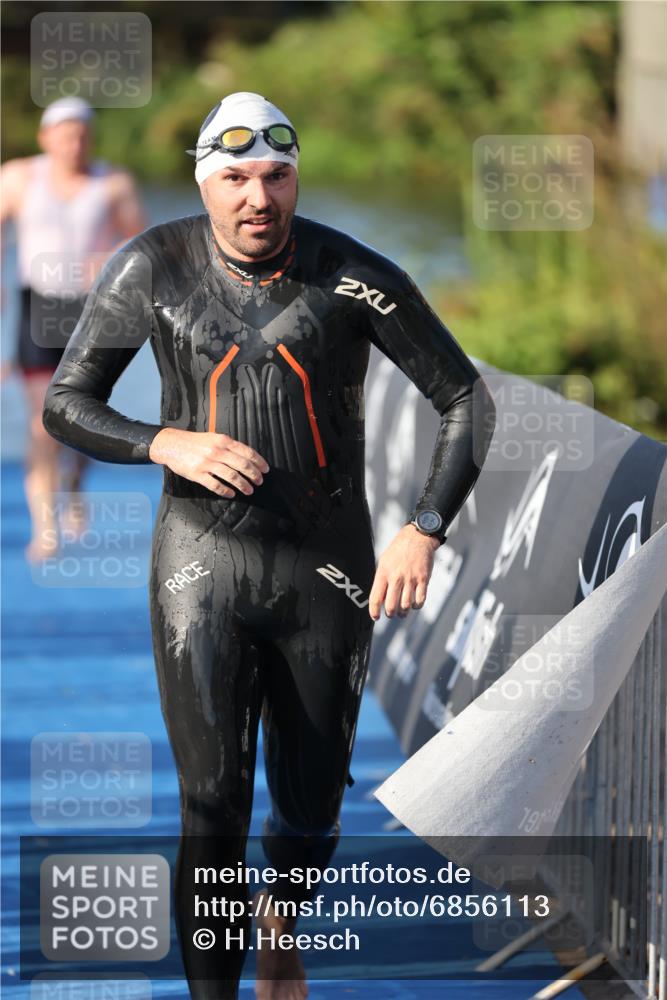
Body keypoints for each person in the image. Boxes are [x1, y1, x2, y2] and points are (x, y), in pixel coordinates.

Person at [43, 92, 496, 1000]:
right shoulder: (150, 267)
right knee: (211, 801)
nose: (259, 198)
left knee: (312, 805)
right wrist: (162, 441)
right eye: (237, 178)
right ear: (206, 183)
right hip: (197, 564)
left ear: (295, 181)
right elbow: (67, 402)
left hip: (326, 567)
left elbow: (465, 400)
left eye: (277, 177)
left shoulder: (351, 274)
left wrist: (424, 528)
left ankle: (280, 922)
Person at [0, 96, 147, 561]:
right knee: (44, 422)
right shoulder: (19, 177)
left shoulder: (113, 183)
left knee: (83, 414)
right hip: (37, 307)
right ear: (46, 138)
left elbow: (143, 245)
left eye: (82, 134)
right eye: (64, 134)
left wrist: (108, 260)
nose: (74, 143)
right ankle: (45, 527)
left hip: (92, 309)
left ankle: (75, 484)